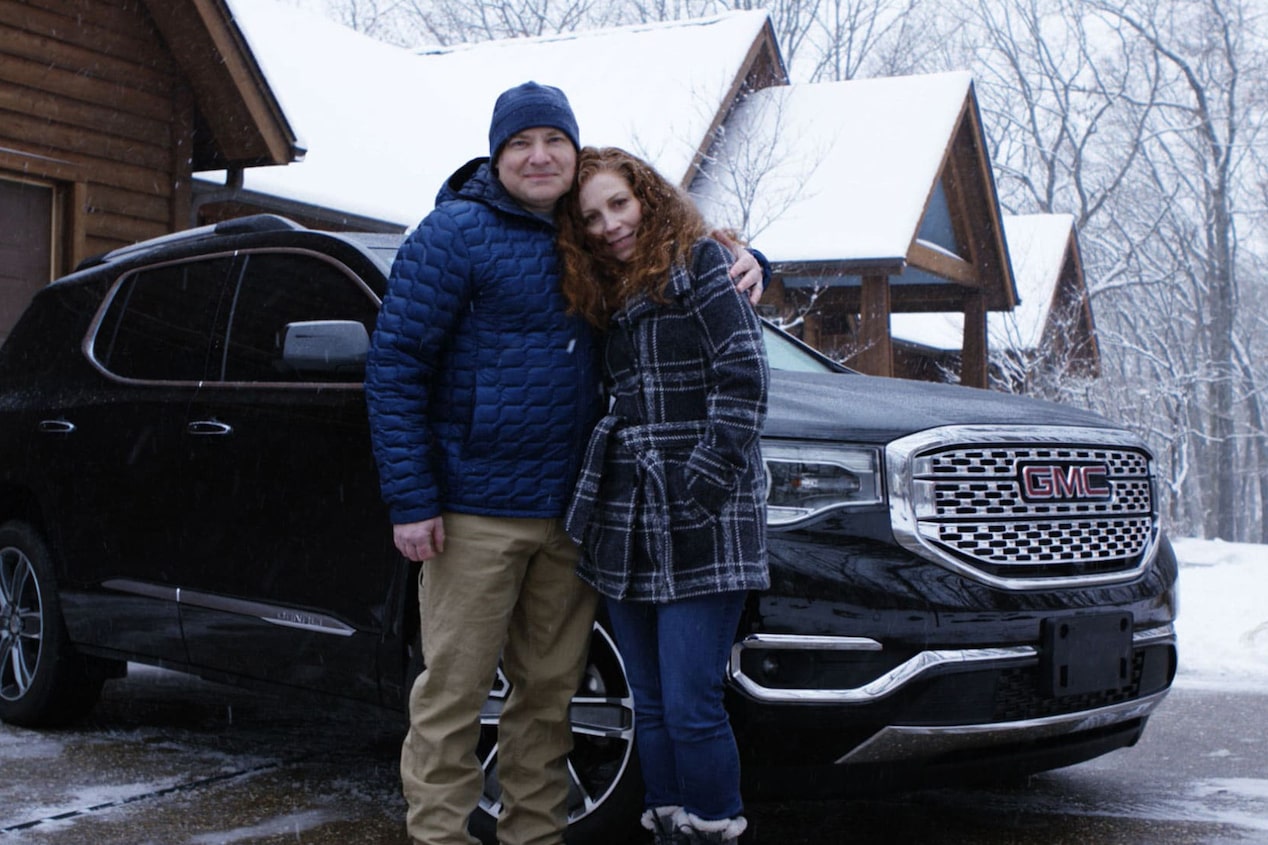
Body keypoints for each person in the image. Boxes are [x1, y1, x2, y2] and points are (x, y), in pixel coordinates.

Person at [364, 83, 764, 845]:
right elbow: (396, 366)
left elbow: (678, 276)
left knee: (547, 702)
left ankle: (534, 836)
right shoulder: (455, 234)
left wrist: (746, 256)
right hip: (473, 513)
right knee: (453, 698)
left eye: (554, 140)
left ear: (575, 153)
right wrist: (411, 498)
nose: (539, 155)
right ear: (496, 154)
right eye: (520, 143)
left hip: (577, 519)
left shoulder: (587, 239)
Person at [558, 147, 770, 845]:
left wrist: (701, 482)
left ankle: (711, 830)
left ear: (646, 194)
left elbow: (743, 376)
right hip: (626, 513)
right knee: (647, 702)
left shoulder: (703, 262)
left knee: (691, 702)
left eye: (619, 203)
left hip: (703, 511)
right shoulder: (601, 286)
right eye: (591, 215)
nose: (609, 224)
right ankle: (668, 826)